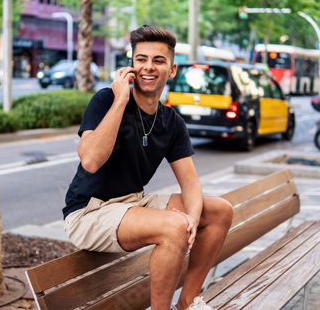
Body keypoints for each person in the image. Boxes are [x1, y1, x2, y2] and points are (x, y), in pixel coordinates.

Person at [63, 25, 233, 310]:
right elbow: (90, 160)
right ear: (131, 66)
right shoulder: (106, 100)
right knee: (173, 227)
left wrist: (192, 221)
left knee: (219, 211)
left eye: (158, 60)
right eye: (141, 59)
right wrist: (120, 100)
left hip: (132, 202)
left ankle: (189, 302)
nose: (148, 67)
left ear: (172, 68)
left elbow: (190, 182)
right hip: (89, 211)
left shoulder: (172, 122)